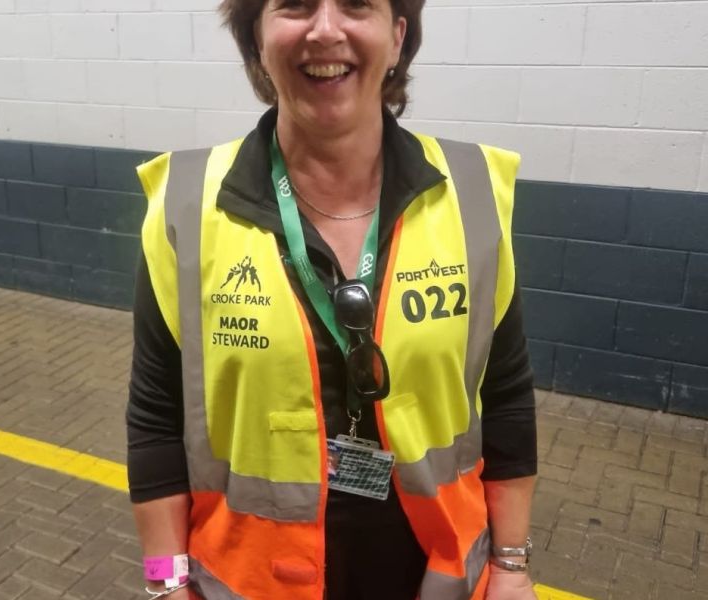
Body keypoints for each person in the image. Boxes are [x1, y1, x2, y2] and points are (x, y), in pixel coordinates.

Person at [126, 0, 538, 598]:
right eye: (295, 5)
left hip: (436, 576)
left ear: (397, 37)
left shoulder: (470, 193)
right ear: (257, 38)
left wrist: (512, 564)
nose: (325, 30)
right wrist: (165, 584)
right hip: (253, 580)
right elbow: (156, 417)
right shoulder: (187, 206)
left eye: (355, 4)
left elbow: (505, 397)